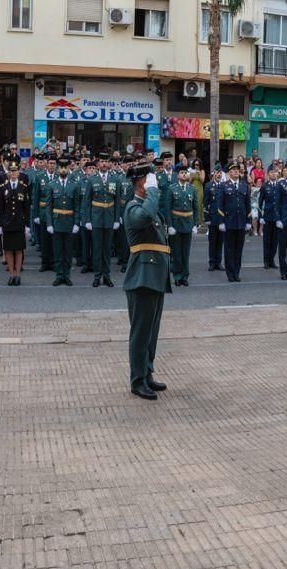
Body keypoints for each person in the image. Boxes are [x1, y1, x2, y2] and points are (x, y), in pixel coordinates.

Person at [123, 162, 171, 400]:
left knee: (152, 332)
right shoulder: (133, 209)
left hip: (155, 277)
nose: (155, 187)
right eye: (150, 183)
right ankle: (137, 380)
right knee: (141, 333)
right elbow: (147, 215)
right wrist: (152, 192)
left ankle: (147, 373)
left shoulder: (150, 209)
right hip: (141, 278)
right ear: (141, 186)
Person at [85, 152, 120, 288]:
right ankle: (97, 276)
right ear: (98, 164)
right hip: (96, 218)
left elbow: (117, 201)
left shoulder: (114, 179)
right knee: (97, 248)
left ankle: (107, 276)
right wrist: (87, 220)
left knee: (107, 249)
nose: (104, 164)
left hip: (110, 218)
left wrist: (117, 219)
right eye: (102, 162)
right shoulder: (92, 179)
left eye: (106, 161)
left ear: (109, 163)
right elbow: (87, 201)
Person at [44, 157, 81, 287]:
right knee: (58, 251)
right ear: (58, 169)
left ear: (68, 169)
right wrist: (49, 223)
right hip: (57, 222)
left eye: (66, 167)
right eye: (61, 167)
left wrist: (77, 223)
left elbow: (77, 206)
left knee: (68, 252)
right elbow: (48, 206)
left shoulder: (74, 185)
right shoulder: (52, 185)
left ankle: (67, 276)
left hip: (69, 223)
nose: (64, 170)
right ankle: (59, 276)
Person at [0, 161, 31, 286]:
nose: (13, 173)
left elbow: (27, 208)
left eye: (15, 170)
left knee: (19, 250)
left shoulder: (24, 187)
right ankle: (11, 274)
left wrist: (27, 225)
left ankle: (18, 274)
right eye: (11, 171)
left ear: (19, 172)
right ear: (9, 173)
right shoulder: (3, 187)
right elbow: (0, 208)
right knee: (8, 250)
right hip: (7, 223)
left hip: (19, 223)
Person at [216, 163, 250, 283]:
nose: (236, 171)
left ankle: (237, 272)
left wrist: (248, 221)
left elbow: (248, 204)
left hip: (240, 222)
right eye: (233, 170)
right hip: (229, 222)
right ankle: (230, 273)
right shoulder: (224, 186)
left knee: (238, 250)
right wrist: (221, 221)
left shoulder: (244, 185)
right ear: (229, 172)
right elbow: (220, 205)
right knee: (229, 249)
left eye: (237, 170)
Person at [166, 165, 199, 286]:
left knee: (186, 252)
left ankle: (185, 276)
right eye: (181, 172)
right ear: (177, 175)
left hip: (188, 224)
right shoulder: (172, 188)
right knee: (176, 252)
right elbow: (168, 208)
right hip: (176, 223)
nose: (184, 174)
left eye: (185, 172)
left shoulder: (192, 188)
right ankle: (177, 276)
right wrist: (169, 225)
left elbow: (196, 206)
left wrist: (196, 223)